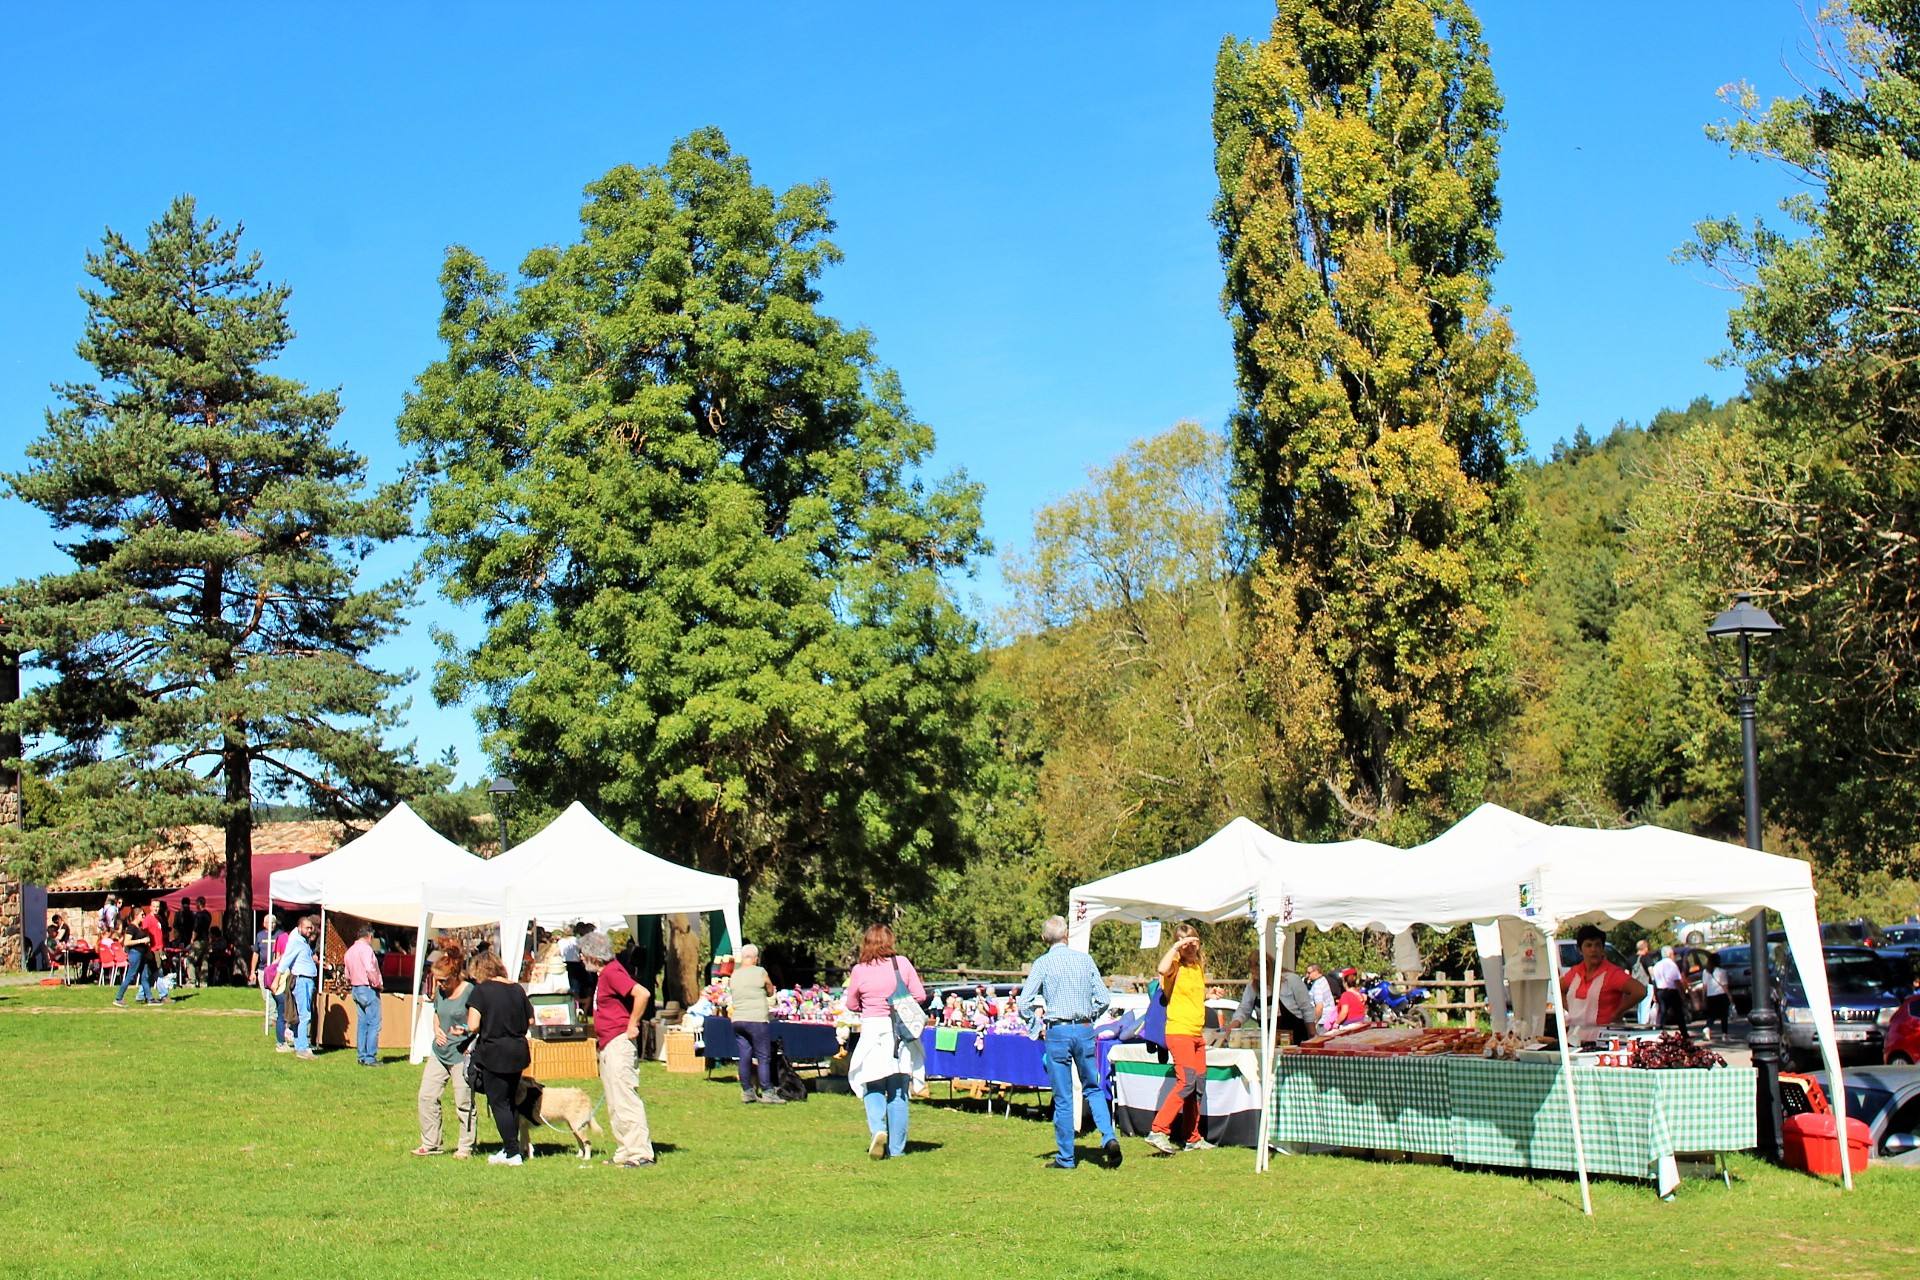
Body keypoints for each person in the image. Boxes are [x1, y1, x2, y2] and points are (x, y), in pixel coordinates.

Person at [1017, 915, 1123, 1170]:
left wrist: (1035, 1027)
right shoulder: (1084, 960)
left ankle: (1065, 1157)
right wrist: (1090, 1017)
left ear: (1044, 938)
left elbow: (1023, 1002)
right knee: (1092, 1087)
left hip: (1058, 1030)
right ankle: (1108, 1137)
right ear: (1066, 936)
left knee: (1064, 1096)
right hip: (1084, 1029)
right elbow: (1104, 999)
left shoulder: (1042, 963)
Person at [842, 923, 925, 1160]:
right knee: (898, 1090)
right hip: (899, 1031)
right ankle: (897, 1149)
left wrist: (867, 1004)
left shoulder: (860, 970)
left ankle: (878, 1129)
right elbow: (919, 996)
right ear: (890, 941)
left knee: (872, 1084)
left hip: (872, 1030)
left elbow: (851, 1004)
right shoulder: (902, 964)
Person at [579, 930, 655, 1168]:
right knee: (614, 1101)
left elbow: (642, 993)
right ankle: (624, 1151)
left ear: (594, 955)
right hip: (607, 1043)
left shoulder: (612, 972)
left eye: (583, 954)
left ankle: (641, 1153)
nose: (581, 958)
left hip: (618, 1042)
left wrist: (632, 1024)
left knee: (625, 1098)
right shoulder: (605, 975)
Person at [1145, 923, 1210, 1156]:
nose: (1190, 947)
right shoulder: (1175, 965)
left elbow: (1194, 996)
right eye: (1185, 943)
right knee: (1186, 1081)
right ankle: (1158, 1130)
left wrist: (1210, 995)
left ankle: (1193, 1138)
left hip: (1196, 1034)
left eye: (1193, 941)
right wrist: (1175, 947)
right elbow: (1161, 969)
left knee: (1197, 1084)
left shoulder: (1198, 967)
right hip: (1179, 1031)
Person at [465, 949, 534, 1165]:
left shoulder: (481, 991)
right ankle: (509, 1147)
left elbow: (473, 1024)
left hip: (495, 1052)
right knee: (510, 1100)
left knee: (499, 1103)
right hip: (518, 1050)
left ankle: (512, 1153)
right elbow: (530, 1020)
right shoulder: (516, 989)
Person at [414, 946, 478, 1158]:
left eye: (443, 980)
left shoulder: (470, 991)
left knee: (463, 1102)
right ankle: (431, 1143)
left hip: (463, 1054)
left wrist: (466, 1030)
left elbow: (478, 1022)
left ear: (455, 975)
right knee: (426, 1096)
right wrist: (436, 1029)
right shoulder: (440, 991)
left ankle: (466, 1147)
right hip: (440, 1052)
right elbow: (437, 1013)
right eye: (437, 980)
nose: (439, 985)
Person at [1558, 924, 1646, 1043]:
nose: (1593, 949)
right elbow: (1558, 989)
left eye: (1598, 945)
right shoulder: (1575, 972)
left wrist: (1618, 1012)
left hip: (1605, 1038)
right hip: (1575, 1037)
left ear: (1603, 948)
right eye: (1588, 945)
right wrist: (1571, 1009)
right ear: (1580, 950)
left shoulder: (1612, 973)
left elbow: (1640, 991)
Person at [728, 943, 782, 1105]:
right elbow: (770, 990)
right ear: (755, 958)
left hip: (738, 1019)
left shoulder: (734, 975)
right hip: (757, 1019)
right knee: (763, 1056)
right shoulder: (760, 972)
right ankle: (767, 1091)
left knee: (744, 1055)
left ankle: (747, 1091)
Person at [282, 915, 321, 1060]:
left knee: (301, 1015)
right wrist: (276, 978)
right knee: (305, 1015)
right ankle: (303, 1048)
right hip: (302, 980)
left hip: (305, 979)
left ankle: (300, 1045)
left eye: (311, 928)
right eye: (307, 927)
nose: (310, 930)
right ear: (299, 927)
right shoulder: (296, 941)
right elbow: (286, 959)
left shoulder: (303, 942)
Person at [344, 924, 383, 1066]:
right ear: (370, 936)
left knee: (362, 1023)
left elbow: (346, 974)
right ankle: (370, 1057)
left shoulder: (350, 951)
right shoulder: (366, 950)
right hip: (368, 988)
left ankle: (361, 1055)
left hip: (355, 988)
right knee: (374, 1024)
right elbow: (370, 968)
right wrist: (377, 983)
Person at [113, 904, 160, 1007]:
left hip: (142, 954)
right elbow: (126, 942)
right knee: (130, 976)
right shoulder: (131, 927)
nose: (144, 917)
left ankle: (150, 999)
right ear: (137, 915)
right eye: (142, 915)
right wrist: (141, 940)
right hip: (135, 954)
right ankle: (118, 998)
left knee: (144, 977)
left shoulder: (140, 927)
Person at [1650, 944, 1689, 1037]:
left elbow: (1654, 981)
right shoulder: (1672, 965)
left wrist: (1654, 993)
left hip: (1660, 991)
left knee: (1663, 1011)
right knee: (1678, 1012)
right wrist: (1682, 993)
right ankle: (1684, 1032)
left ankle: (1660, 1032)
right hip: (1671, 991)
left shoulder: (1657, 965)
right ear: (1670, 954)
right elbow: (1676, 981)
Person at [1699, 952, 1732, 1042]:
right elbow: (1725, 986)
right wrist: (1730, 997)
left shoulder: (1705, 972)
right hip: (1721, 995)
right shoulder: (1722, 972)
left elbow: (1704, 986)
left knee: (1711, 1015)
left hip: (1710, 996)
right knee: (1723, 1016)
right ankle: (1724, 1034)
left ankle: (1707, 1028)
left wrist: (1703, 998)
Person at [562, 922, 590, 1021]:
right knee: (576, 988)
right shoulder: (577, 940)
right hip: (576, 965)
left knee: (573, 988)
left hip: (566, 965)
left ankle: (577, 1007)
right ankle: (579, 1007)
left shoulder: (562, 941)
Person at [1630, 939, 1658, 1026]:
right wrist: (1655, 985)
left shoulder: (1630, 959)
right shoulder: (1647, 958)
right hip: (1646, 985)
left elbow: (1626, 973)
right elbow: (1651, 973)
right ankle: (1643, 1026)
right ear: (1645, 948)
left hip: (1635, 986)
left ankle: (1639, 1024)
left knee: (1639, 1007)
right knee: (1645, 1006)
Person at [186, 897, 213, 987]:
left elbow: (196, 929)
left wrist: (192, 939)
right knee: (204, 961)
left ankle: (192, 981)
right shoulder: (208, 914)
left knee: (190, 960)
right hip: (206, 940)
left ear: (198, 904)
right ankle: (203, 982)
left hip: (198, 941)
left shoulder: (198, 915)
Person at [1305, 963, 1334, 1031]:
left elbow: (1319, 1007)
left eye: (1309, 973)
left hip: (1322, 1022)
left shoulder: (1317, 985)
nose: (1307, 975)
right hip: (1329, 1019)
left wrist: (1314, 1022)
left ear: (1316, 972)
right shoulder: (1323, 980)